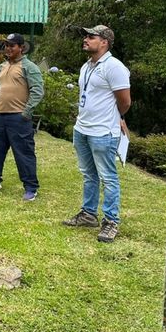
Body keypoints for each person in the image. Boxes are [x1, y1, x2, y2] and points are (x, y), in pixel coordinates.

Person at [62, 25, 131, 243]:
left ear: (104, 42)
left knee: (108, 177)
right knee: (88, 173)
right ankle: (88, 214)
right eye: (86, 36)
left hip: (103, 132)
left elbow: (125, 101)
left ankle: (111, 221)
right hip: (82, 129)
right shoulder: (87, 66)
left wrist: (116, 118)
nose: (86, 39)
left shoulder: (114, 67)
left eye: (91, 36)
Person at [0, 33, 44, 201]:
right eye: (6, 45)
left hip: (19, 118)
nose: (8, 48)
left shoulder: (29, 67)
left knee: (24, 153)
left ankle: (31, 187)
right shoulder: (1, 67)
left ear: (21, 48)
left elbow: (37, 90)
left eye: (12, 45)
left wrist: (26, 111)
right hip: (0, 117)